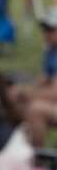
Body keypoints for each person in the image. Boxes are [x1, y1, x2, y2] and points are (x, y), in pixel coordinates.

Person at [17, 8, 57, 146]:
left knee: (35, 109)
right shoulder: (51, 51)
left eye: (51, 29)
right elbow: (43, 80)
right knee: (17, 105)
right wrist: (23, 92)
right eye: (45, 29)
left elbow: (54, 92)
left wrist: (28, 94)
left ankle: (37, 159)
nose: (47, 34)